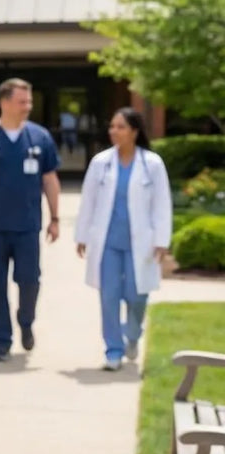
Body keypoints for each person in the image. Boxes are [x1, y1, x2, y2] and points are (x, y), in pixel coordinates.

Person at [0, 78, 61, 362]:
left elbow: (50, 179)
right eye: (22, 101)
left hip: (28, 226)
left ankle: (25, 322)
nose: (27, 106)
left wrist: (55, 218)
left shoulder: (40, 138)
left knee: (30, 281)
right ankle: (2, 340)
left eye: (29, 101)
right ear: (4, 102)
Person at [73, 108, 172, 371]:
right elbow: (88, 202)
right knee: (109, 298)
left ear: (134, 132)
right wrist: (82, 236)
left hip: (141, 244)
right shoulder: (100, 162)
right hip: (108, 244)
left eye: (120, 127)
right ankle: (113, 350)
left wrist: (162, 239)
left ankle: (133, 335)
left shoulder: (152, 164)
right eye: (112, 126)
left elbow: (162, 204)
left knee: (137, 297)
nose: (113, 131)